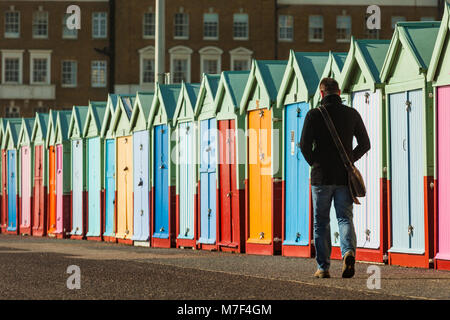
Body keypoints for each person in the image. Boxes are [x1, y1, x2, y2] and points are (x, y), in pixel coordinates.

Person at [300, 77, 370, 278]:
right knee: (344, 218)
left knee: (320, 222)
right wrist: (349, 159)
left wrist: (315, 162)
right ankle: (348, 252)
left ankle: (323, 268)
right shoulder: (351, 113)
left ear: (321, 94)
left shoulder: (314, 115)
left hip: (321, 177)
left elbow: (304, 145)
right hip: (343, 177)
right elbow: (365, 143)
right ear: (339, 93)